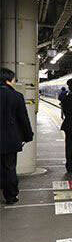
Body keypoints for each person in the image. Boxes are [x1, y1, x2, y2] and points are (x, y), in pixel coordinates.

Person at [0, 67, 34, 204]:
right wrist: (28, 136)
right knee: (9, 168)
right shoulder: (16, 96)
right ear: (9, 80)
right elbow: (23, 119)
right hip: (10, 140)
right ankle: (11, 196)